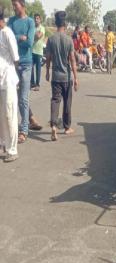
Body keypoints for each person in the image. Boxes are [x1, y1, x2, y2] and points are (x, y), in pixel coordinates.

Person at [8, 0, 42, 144]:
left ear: (22, 6)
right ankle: (31, 117)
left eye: (15, 5)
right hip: (13, 63)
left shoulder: (29, 22)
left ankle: (24, 130)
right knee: (14, 95)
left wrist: (17, 39)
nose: (13, 8)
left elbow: (29, 43)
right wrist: (19, 37)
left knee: (22, 97)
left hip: (27, 63)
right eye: (12, 5)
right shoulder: (11, 21)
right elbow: (6, 37)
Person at [45, 11, 78, 142]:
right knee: (67, 102)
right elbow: (72, 61)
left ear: (55, 23)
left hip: (55, 77)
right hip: (67, 77)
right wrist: (76, 78)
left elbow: (48, 58)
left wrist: (47, 71)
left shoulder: (51, 39)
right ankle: (66, 127)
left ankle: (53, 125)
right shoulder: (69, 40)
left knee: (55, 100)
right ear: (64, 24)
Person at [0, 6, 19, 162]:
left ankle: (12, 150)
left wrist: (15, 79)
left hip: (8, 79)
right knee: (1, 115)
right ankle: (2, 145)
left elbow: (16, 59)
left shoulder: (7, 34)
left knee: (9, 114)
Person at [31, 13, 45, 91]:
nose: (36, 20)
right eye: (35, 19)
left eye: (37, 19)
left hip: (39, 52)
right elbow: (32, 37)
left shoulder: (42, 28)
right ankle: (32, 83)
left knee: (38, 69)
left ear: (40, 20)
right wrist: (36, 34)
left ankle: (37, 84)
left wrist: (35, 35)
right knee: (31, 67)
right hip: (32, 50)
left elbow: (38, 36)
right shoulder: (32, 28)